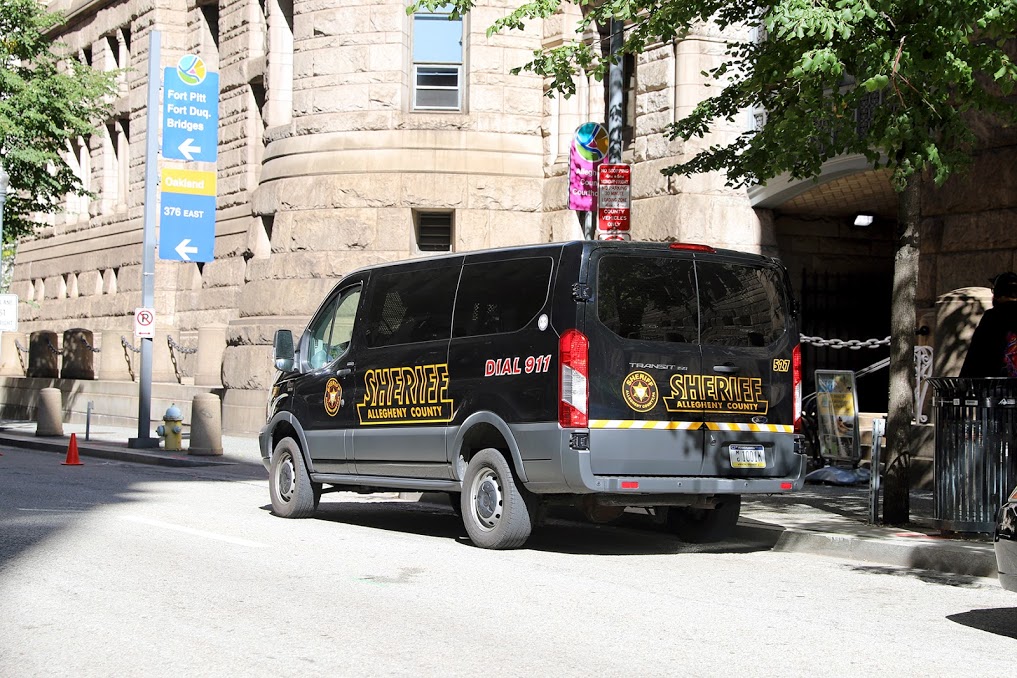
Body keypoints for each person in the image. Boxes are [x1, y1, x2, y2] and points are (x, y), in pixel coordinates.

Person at [959, 271, 1017, 377]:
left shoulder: (993, 317)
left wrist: (963, 382)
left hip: (995, 386)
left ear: (998, 294)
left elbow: (975, 353)